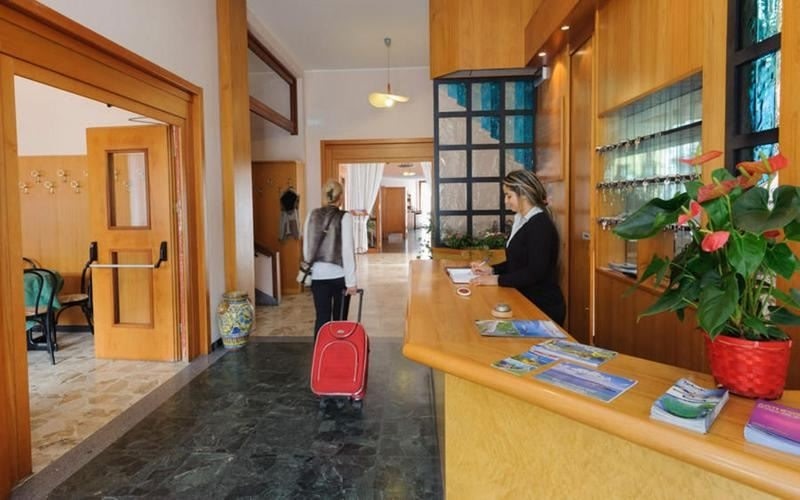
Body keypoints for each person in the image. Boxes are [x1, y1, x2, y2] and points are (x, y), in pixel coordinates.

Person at [470, 170, 566, 325]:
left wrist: (497, 280)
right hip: (524, 299)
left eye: (509, 196)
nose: (506, 201)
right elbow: (518, 261)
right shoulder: (522, 220)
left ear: (524, 195)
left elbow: (535, 272)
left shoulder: (540, 225)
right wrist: (492, 270)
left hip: (541, 305)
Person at [303, 180, 358, 336]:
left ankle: (321, 349)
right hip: (339, 276)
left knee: (322, 318)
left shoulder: (312, 215)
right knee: (340, 320)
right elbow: (347, 250)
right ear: (340, 197)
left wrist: (310, 270)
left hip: (318, 277)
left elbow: (307, 247)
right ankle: (338, 349)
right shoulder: (344, 217)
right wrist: (351, 282)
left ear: (324, 197)